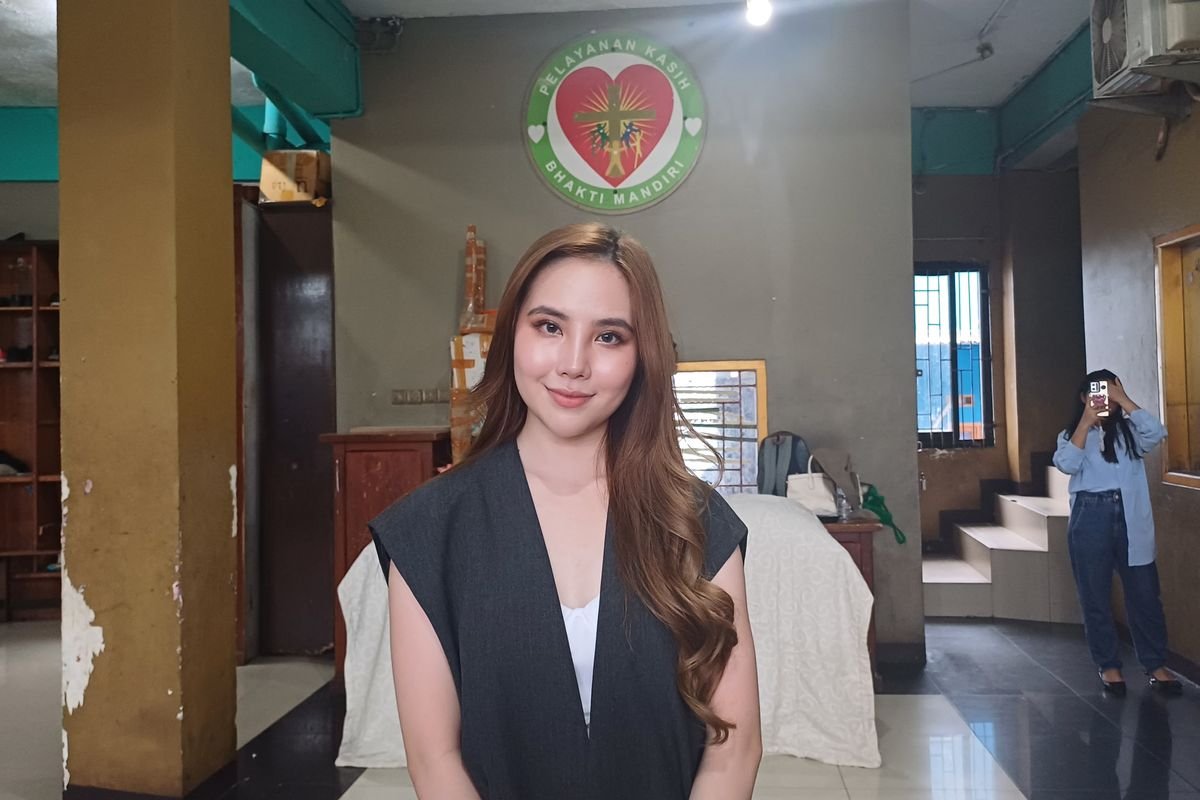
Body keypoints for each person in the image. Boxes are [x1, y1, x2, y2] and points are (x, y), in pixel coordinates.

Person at [370, 223, 763, 799]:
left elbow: (734, 748)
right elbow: (435, 760)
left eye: (609, 337)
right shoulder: (430, 529)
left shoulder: (696, 521)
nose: (574, 363)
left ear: (643, 356)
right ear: (512, 335)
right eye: (550, 327)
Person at [1053, 369, 1182, 697]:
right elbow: (1066, 464)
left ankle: (1155, 664)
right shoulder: (1071, 434)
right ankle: (1108, 665)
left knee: (1144, 593)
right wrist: (1086, 422)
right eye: (1097, 393)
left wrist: (1123, 400)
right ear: (1083, 398)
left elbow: (1157, 432)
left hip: (1129, 515)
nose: (1104, 399)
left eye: (1109, 392)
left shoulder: (1130, 432)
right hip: (1090, 515)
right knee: (1094, 595)